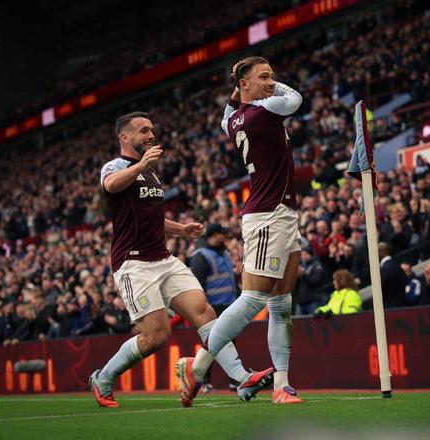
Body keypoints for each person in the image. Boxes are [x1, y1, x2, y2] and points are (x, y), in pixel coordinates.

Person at [90, 112, 272, 408]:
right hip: (133, 263)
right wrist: (140, 165)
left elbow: (152, 219)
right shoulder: (116, 166)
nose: (151, 135)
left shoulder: (150, 172)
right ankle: (104, 378)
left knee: (204, 312)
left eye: (152, 130)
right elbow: (110, 185)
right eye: (143, 130)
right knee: (156, 336)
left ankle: (241, 378)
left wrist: (181, 229)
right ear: (125, 137)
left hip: (164, 259)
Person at [177, 56, 304, 406]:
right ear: (246, 84)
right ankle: (197, 366)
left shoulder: (235, 119)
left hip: (283, 212)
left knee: (282, 303)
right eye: (264, 76)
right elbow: (295, 99)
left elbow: (226, 113)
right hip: (268, 214)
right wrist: (269, 88)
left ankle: (282, 384)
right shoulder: (264, 112)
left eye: (272, 76)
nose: (271, 82)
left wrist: (241, 89)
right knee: (254, 299)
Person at [189, 223, 239, 393]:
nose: (224, 237)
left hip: (229, 305)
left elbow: (230, 279)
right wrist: (204, 307)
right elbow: (197, 285)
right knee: (210, 344)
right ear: (214, 235)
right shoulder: (200, 256)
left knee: (230, 343)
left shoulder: (224, 253)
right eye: (222, 234)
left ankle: (234, 380)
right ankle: (204, 381)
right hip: (212, 307)